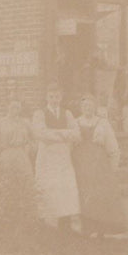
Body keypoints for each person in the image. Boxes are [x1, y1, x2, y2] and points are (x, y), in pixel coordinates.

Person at [73, 92, 126, 237]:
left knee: (99, 194)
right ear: (81, 107)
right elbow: (70, 144)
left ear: (95, 107)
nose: (87, 108)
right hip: (81, 163)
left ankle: (100, 228)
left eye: (90, 105)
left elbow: (112, 145)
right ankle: (87, 227)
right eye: (85, 105)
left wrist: (112, 166)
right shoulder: (75, 122)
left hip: (99, 163)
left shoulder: (102, 122)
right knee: (84, 193)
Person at [31, 82, 81, 233]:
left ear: (61, 97)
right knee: (47, 186)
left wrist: (54, 134)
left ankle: (64, 224)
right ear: (47, 97)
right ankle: (46, 224)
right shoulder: (39, 113)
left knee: (64, 187)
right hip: (47, 157)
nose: (54, 99)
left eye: (57, 97)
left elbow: (76, 133)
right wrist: (64, 134)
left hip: (63, 156)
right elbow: (40, 133)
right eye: (51, 96)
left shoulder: (67, 113)